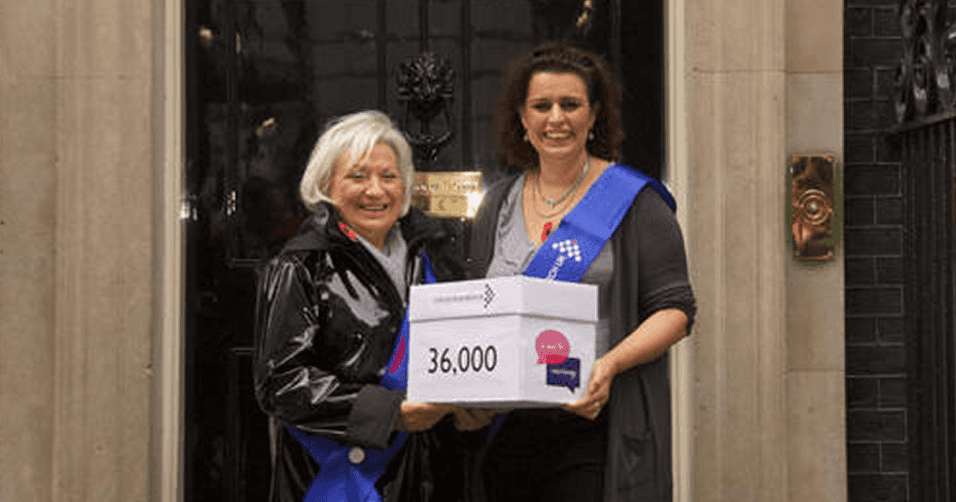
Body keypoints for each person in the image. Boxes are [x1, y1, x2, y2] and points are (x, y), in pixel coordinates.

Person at [467, 42, 697, 502]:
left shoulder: (636, 202)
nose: (556, 118)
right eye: (542, 106)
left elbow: (675, 310)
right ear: (522, 117)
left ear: (593, 117)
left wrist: (609, 365)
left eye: (571, 105)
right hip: (506, 429)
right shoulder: (497, 205)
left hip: (592, 425)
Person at [252, 110, 470, 502]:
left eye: (389, 176)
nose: (376, 191)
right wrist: (390, 413)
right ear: (325, 185)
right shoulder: (300, 265)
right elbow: (280, 383)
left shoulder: (433, 256)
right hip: (336, 478)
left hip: (428, 472)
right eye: (357, 176)